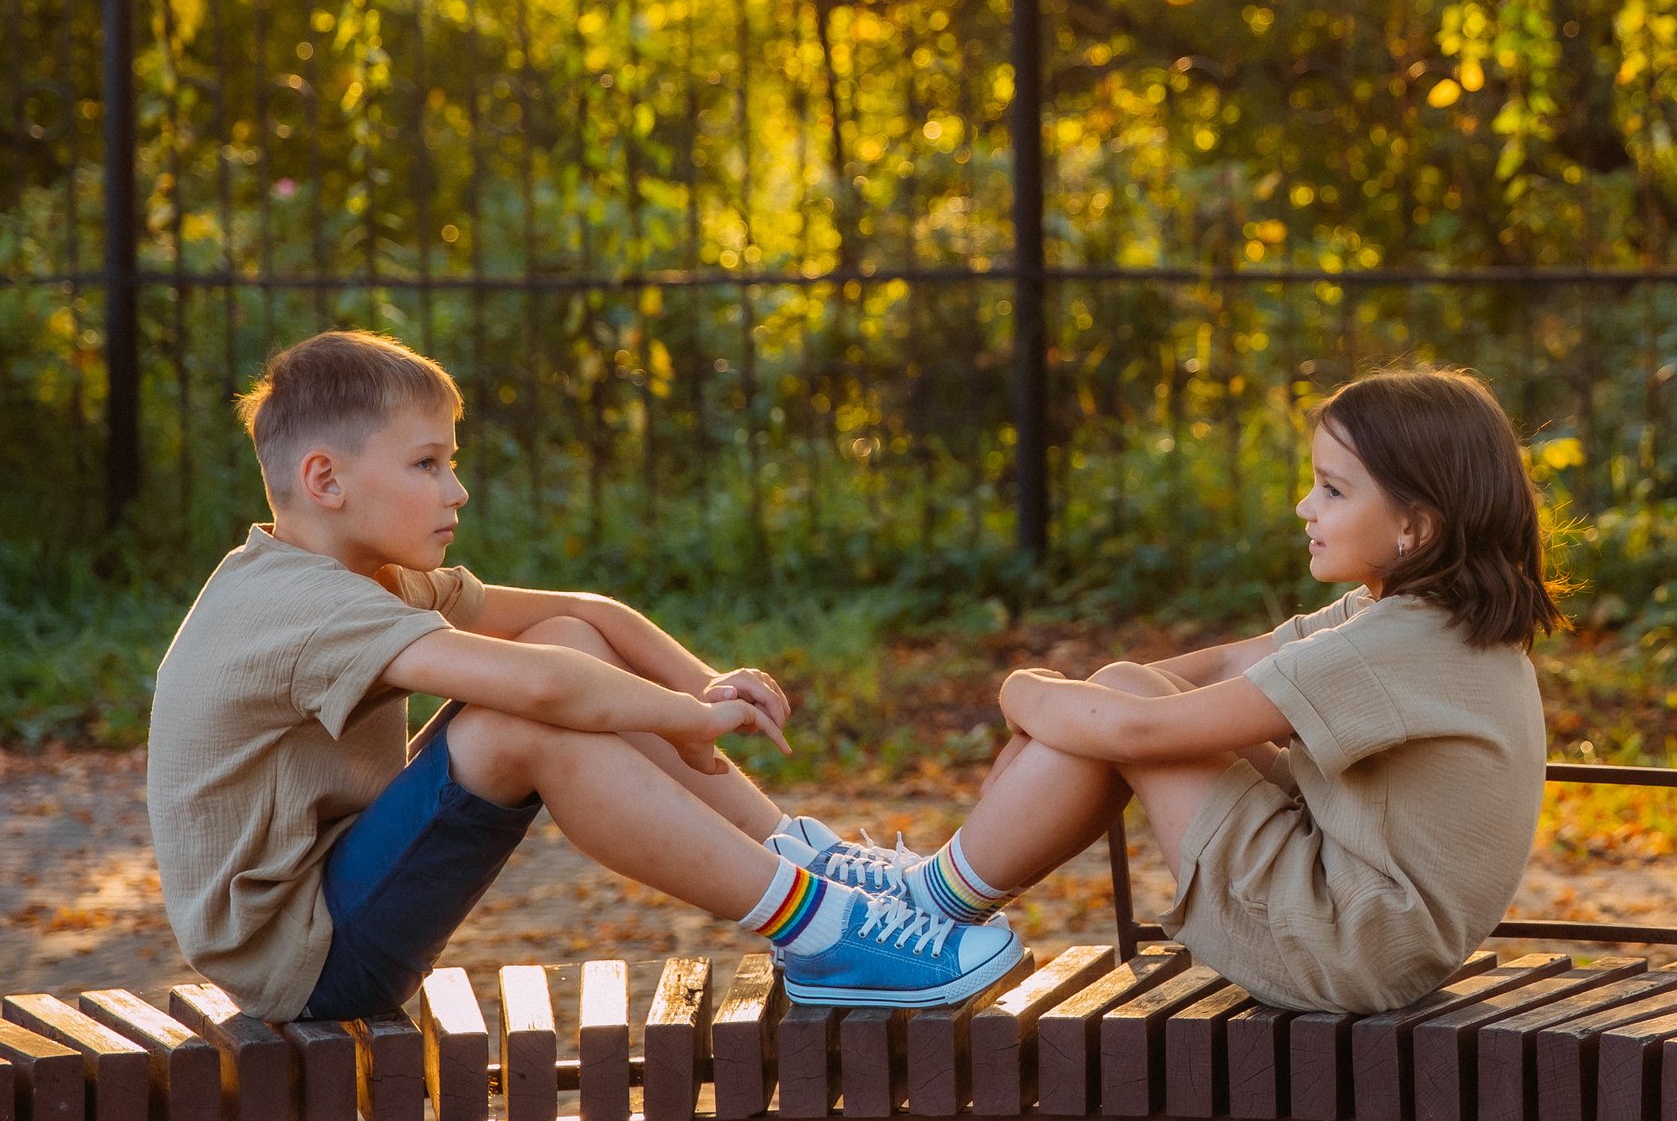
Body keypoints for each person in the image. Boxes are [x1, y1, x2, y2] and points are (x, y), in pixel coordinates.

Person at [148, 328, 1023, 1024]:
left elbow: (585, 613)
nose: (456, 490)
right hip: (306, 962)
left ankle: (811, 860)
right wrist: (685, 718)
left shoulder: (367, 575)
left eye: (451, 461)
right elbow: (540, 691)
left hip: (343, 891)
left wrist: (704, 683)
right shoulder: (299, 605)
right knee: (516, 724)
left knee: (558, 638)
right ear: (325, 479)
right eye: (427, 463)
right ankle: (825, 933)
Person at [793, 366, 1561, 1016]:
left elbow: (1142, 735)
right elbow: (1225, 667)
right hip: (1369, 929)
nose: (1305, 506)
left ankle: (926, 901)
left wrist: (1024, 691)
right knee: (1122, 691)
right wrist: (1079, 705)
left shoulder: (1392, 646)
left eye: (1332, 490)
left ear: (1415, 527)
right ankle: (931, 892)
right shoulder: (1415, 620)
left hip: (1338, 943)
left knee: (1123, 713)